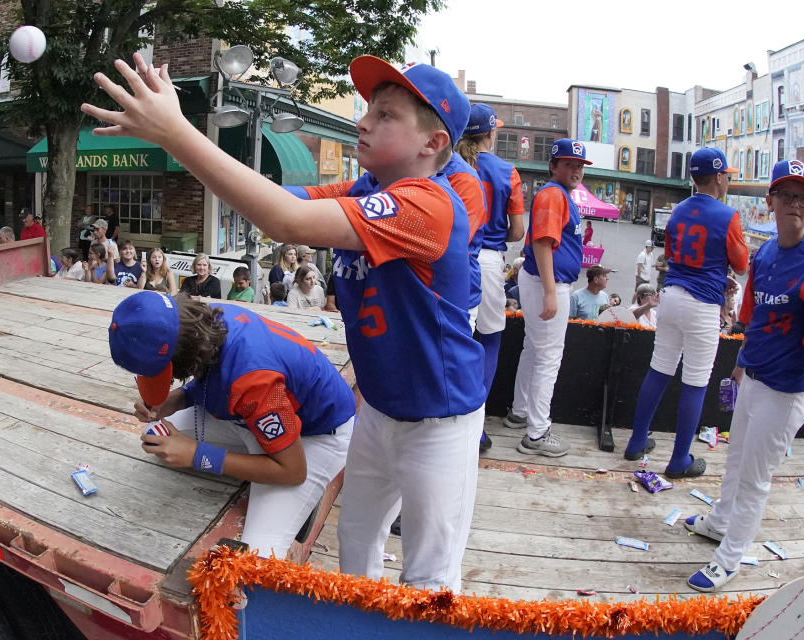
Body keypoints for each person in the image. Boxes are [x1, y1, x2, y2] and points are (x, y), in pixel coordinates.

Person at [83, 52, 484, 592]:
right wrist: (170, 140)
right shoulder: (365, 192)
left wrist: (176, 133)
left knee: (430, 578)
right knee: (358, 544)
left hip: (441, 421)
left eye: (386, 114)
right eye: (369, 108)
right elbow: (268, 202)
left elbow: (285, 219)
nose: (364, 120)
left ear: (432, 144)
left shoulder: (428, 205)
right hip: (379, 411)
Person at [683, 160, 804, 592]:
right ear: (770, 202)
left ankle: (729, 558)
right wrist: (738, 368)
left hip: (785, 391)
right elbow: (753, 321)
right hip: (753, 379)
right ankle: (719, 522)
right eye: (787, 196)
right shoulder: (766, 253)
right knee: (735, 460)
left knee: (756, 478)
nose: (795, 204)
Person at [110, 291, 355, 559]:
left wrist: (197, 455)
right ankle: (264, 474)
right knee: (156, 437)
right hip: (255, 414)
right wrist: (178, 399)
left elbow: (293, 470)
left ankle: (303, 497)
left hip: (314, 437)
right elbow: (212, 373)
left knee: (255, 558)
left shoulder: (253, 381)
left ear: (181, 361)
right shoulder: (202, 319)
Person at [622, 147, 749, 474]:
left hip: (672, 295)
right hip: (702, 304)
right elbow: (742, 263)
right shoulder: (727, 214)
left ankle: (636, 442)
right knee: (695, 382)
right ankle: (679, 460)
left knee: (659, 369)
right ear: (719, 176)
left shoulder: (677, 211)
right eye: (727, 176)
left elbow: (679, 256)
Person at [503, 139, 592, 458]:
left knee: (535, 349)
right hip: (546, 282)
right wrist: (552, 292)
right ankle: (537, 433)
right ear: (553, 166)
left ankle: (521, 411)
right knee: (548, 357)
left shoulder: (561, 195)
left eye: (580, 165)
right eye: (568, 163)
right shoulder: (554, 194)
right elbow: (541, 243)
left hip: (540, 280)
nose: (576, 170)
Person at [455, 102, 525, 452]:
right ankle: (476, 428)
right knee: (489, 341)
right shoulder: (506, 170)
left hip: (451, 258)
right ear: (491, 134)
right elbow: (517, 231)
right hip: (488, 261)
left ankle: (450, 420)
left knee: (454, 340)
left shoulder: (447, 164)